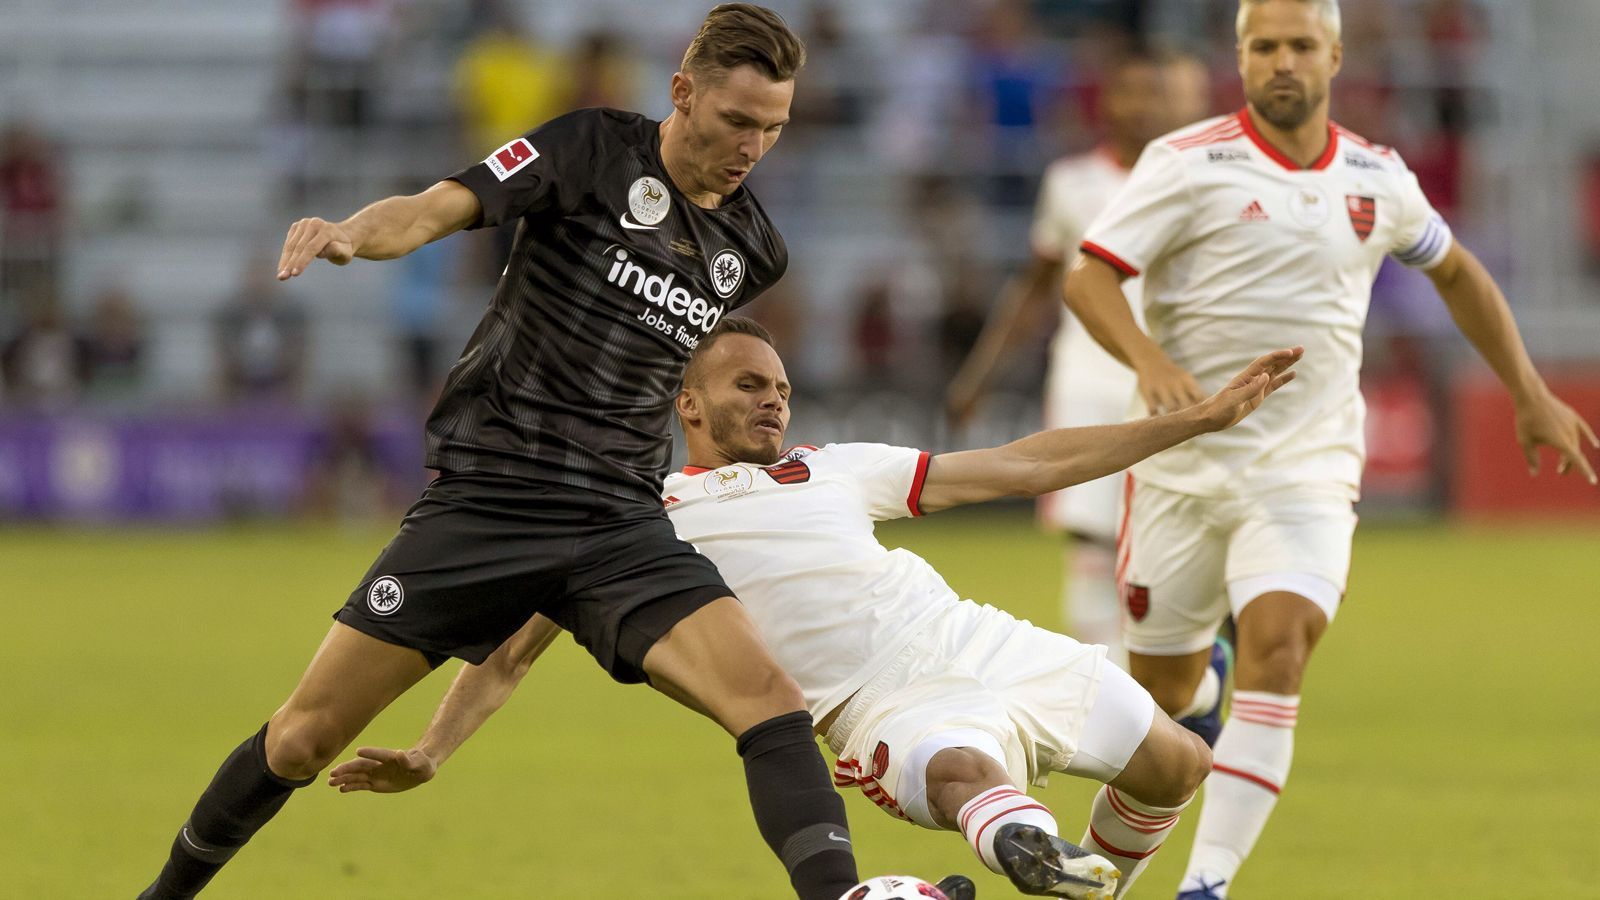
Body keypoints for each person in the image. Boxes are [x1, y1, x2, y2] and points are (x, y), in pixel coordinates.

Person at [138, 8, 884, 899]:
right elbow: (433, 209)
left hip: (620, 520)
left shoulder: (753, 249)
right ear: (683, 93)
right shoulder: (590, 149)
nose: (753, 146)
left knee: (772, 703)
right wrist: (351, 235)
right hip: (493, 499)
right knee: (303, 737)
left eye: (773, 128)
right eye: (737, 121)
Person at [327, 318, 1305, 899]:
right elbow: (507, 654)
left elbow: (1020, 463)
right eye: (748, 384)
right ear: (687, 404)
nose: (773, 400)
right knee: (965, 772)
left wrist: (1187, 422)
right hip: (879, 707)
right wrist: (428, 752)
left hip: (980, 639)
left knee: (1178, 761)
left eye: (782, 387)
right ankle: (1019, 841)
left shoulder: (834, 470)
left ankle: (1061, 867)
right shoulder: (640, 519)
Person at [1061, 2, 1600, 897]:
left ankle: (1208, 884)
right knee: (1161, 705)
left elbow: (1456, 270)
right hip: (1182, 473)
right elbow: (1089, 276)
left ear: (1335, 55)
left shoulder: (1377, 176)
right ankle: (1159, 768)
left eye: (1300, 45)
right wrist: (1151, 364)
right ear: (1239, 58)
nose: (1282, 62)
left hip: (1305, 468)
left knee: (1280, 646)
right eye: (1263, 46)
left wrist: (1528, 389)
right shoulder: (1187, 163)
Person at [947, 48, 1211, 673]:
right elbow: (1036, 288)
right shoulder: (1071, 183)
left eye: (1156, 93)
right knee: (1091, 536)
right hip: (1088, 380)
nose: (1143, 106)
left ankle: (1174, 670)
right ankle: (1107, 682)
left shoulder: (1195, 181)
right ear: (1108, 101)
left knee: (1169, 537)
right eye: (1130, 92)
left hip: (1172, 383)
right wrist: (980, 374)